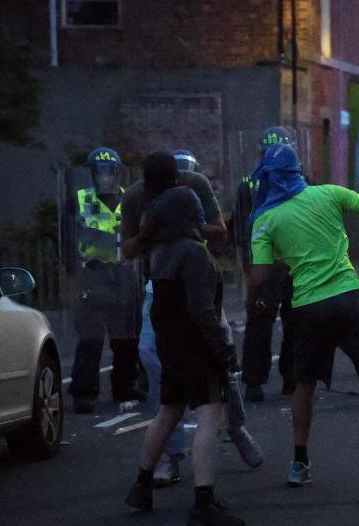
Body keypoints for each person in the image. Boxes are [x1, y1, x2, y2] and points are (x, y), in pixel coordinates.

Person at [248, 143, 359, 491]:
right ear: (299, 172)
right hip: (348, 297)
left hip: (309, 307)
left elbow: (259, 275)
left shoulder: (265, 220)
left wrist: (255, 301)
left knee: (304, 385)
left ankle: (299, 461)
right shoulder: (329, 193)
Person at [122, 152, 262, 487]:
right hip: (168, 288)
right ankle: (195, 485)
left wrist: (187, 228)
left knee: (181, 394)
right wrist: (223, 349)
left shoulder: (191, 189)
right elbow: (202, 312)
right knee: (178, 385)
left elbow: (218, 230)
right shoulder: (139, 200)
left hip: (172, 286)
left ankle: (235, 426)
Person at [125, 184, 244, 525]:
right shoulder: (195, 254)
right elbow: (203, 311)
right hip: (197, 348)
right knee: (209, 416)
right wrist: (223, 352)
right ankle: (203, 501)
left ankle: (141, 485)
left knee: (168, 412)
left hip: (171, 346)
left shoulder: (161, 253)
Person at [65, 146, 142, 414]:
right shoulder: (80, 199)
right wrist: (73, 275)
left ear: (119, 174)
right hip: (93, 275)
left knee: (125, 338)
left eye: (110, 172)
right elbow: (67, 239)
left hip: (123, 274)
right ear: (91, 174)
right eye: (100, 172)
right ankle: (84, 392)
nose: (106, 177)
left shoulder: (129, 199)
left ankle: (125, 387)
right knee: (90, 338)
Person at [234, 126, 297, 401]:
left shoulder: (250, 184)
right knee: (275, 323)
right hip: (280, 264)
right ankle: (277, 381)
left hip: (278, 265)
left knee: (282, 324)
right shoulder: (299, 182)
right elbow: (241, 228)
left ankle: (262, 382)